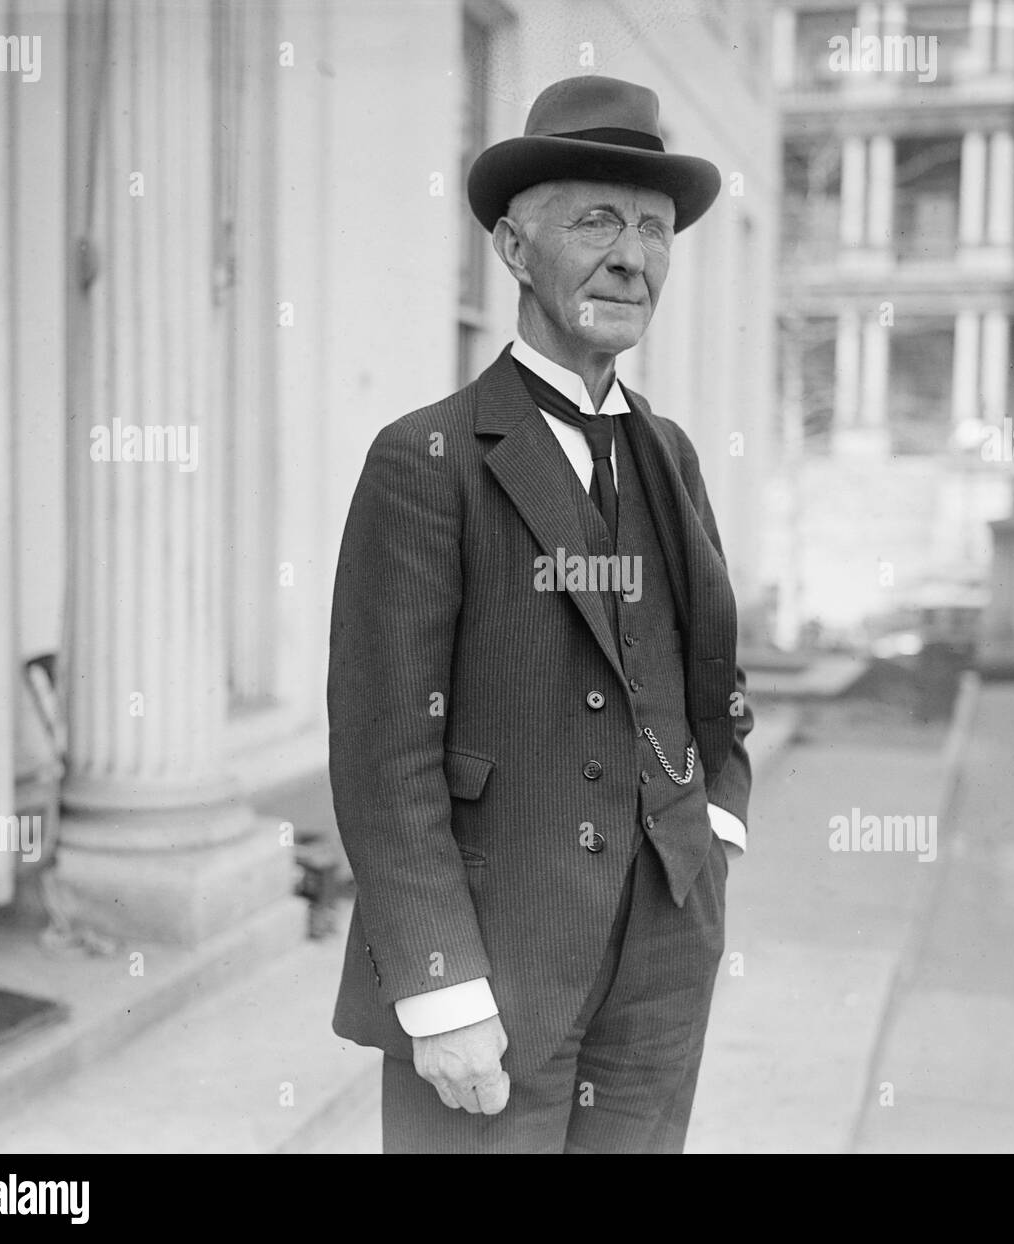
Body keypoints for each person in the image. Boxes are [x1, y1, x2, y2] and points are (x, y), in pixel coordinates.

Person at [327, 74, 753, 1153]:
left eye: (654, 229)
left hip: (662, 949)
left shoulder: (669, 453)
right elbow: (385, 754)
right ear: (516, 251)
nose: (632, 256)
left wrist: (717, 812)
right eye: (596, 220)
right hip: (496, 962)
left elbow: (711, 666)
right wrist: (440, 988)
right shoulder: (425, 458)